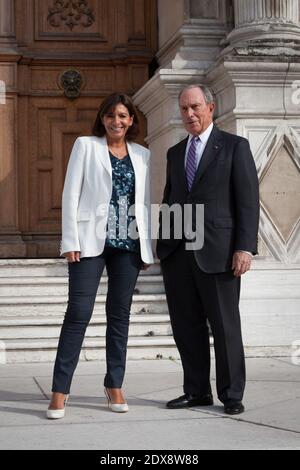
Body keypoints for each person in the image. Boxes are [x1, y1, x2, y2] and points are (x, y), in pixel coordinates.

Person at [47, 93, 153, 419]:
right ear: (102, 118)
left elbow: (145, 203)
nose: (116, 121)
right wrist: (69, 240)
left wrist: (147, 245)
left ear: (131, 120)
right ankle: (60, 390)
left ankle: (114, 384)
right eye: (110, 115)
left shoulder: (143, 155)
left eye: (123, 116)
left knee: (119, 316)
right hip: (89, 243)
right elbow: (70, 193)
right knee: (78, 314)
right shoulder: (85, 145)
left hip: (128, 246)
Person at [156, 85, 259, 415]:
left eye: (196, 107)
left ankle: (232, 394)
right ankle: (196, 390)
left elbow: (247, 202)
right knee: (186, 326)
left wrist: (244, 247)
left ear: (211, 107)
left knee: (225, 326)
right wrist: (162, 249)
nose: (190, 114)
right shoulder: (174, 153)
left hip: (219, 252)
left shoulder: (234, 147)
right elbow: (171, 201)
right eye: (184, 108)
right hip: (179, 255)